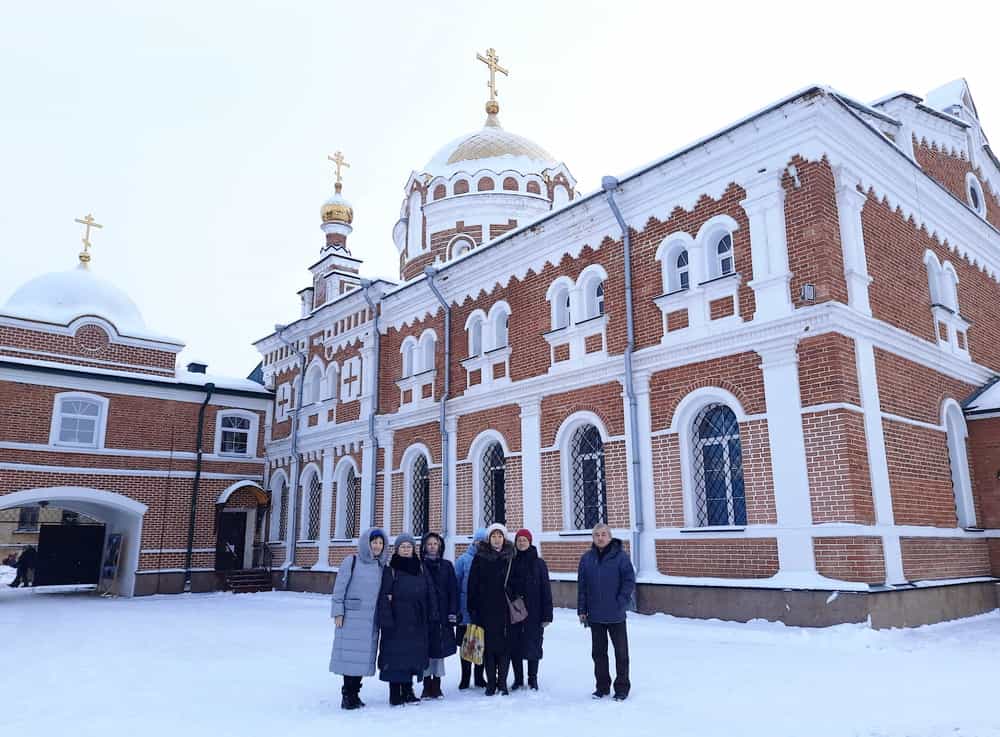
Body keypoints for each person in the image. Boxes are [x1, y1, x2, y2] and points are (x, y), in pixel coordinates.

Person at [329, 528, 389, 710]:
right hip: (352, 617)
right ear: (367, 543)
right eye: (374, 542)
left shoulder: (381, 566)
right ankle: (347, 694)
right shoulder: (352, 561)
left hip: (371, 620)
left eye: (380, 543)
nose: (377, 546)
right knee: (350, 657)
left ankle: (355, 693)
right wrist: (338, 611)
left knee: (362, 659)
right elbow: (339, 588)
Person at [377, 533, 438, 706]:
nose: (406, 550)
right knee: (395, 658)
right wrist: (386, 619)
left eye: (409, 546)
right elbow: (384, 595)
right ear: (397, 549)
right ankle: (395, 693)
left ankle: (408, 690)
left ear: (413, 549)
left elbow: (430, 591)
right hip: (397, 621)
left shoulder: (420, 568)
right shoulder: (391, 569)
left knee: (412, 657)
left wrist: (433, 612)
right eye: (402, 547)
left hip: (417, 619)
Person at [577, 523, 636, 701]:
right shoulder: (587, 559)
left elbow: (629, 580)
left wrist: (621, 601)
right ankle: (602, 687)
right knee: (598, 654)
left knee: (621, 653)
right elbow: (582, 587)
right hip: (595, 615)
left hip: (616, 614)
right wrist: (582, 609)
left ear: (610, 537)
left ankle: (622, 688)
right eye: (596, 535)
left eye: (603, 534)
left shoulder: (621, 557)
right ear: (593, 538)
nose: (600, 538)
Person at [467, 523, 515, 696]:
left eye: (500, 536)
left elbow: (516, 583)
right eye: (494, 536)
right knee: (488, 648)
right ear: (489, 539)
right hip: (486, 609)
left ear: (504, 538)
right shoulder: (480, 558)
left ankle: (502, 683)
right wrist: (473, 608)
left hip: (505, 610)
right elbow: (472, 584)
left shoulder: (510, 557)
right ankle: (491, 683)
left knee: (505, 647)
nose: (497, 539)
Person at [508, 528, 553, 691]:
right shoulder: (511, 561)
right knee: (515, 645)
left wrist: (547, 614)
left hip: (535, 610)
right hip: (515, 610)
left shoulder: (539, 563)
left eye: (524, 540)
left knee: (534, 643)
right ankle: (518, 679)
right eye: (519, 540)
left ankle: (532, 678)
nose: (521, 543)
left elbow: (546, 589)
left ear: (530, 542)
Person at [419, 531, 458, 699]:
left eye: (435, 544)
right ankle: (426, 685)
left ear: (440, 546)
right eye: (429, 544)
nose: (432, 547)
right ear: (424, 547)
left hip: (442, 615)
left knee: (439, 652)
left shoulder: (447, 566)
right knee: (425, 650)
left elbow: (453, 591)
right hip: (425, 615)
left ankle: (437, 685)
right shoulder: (419, 566)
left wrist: (452, 612)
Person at [454, 527, 487, 689]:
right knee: (465, 644)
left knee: (480, 643)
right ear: (474, 542)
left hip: (482, 610)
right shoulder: (463, 560)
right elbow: (455, 584)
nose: (481, 545)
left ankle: (479, 677)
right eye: (479, 542)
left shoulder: (488, 559)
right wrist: (457, 609)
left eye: (484, 542)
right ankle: (465, 677)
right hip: (464, 609)